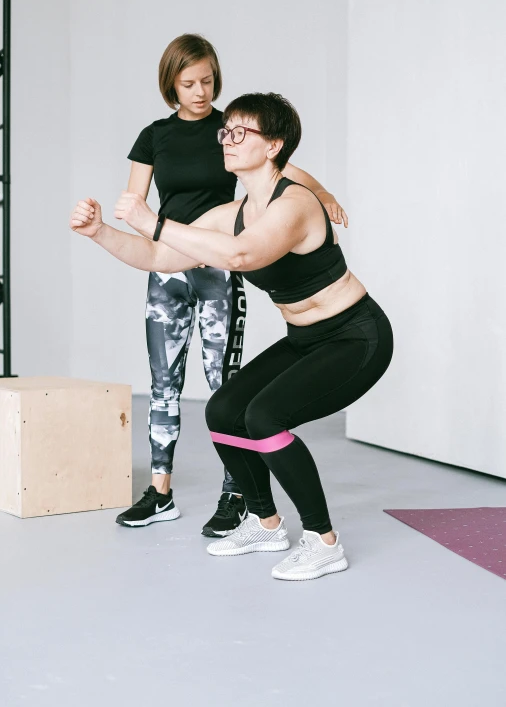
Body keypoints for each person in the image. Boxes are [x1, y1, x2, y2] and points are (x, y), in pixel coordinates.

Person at [70, 92, 392, 581]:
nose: (228, 139)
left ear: (273, 145)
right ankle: (266, 524)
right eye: (227, 131)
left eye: (242, 132)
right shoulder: (232, 211)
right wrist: (100, 233)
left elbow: (242, 256)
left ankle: (324, 541)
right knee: (223, 411)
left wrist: (155, 220)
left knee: (264, 417)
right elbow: (159, 257)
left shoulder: (296, 203)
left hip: (355, 337)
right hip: (305, 338)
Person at [116, 34, 348, 537]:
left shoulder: (231, 131)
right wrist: (130, 231)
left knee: (225, 387)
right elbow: (137, 205)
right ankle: (159, 492)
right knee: (163, 384)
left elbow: (282, 166)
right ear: (170, 85)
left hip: (221, 268)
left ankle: (236, 495)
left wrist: (324, 193)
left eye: (208, 81)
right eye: (189, 83)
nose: (201, 92)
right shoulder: (154, 136)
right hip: (169, 270)